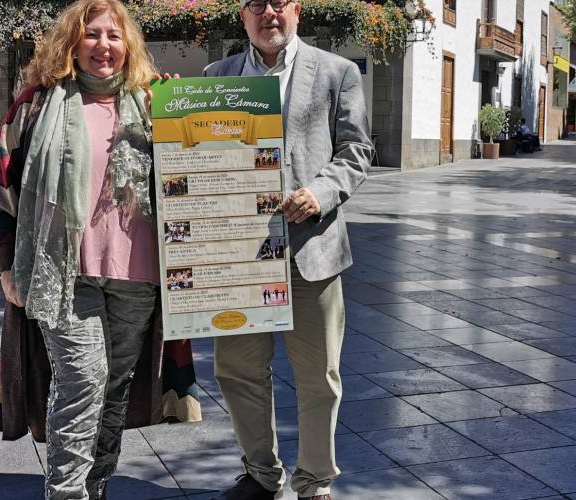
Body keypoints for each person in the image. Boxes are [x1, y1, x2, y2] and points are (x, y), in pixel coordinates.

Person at [0, 1, 202, 498]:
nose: (104, 46)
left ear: (129, 46)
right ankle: (66, 492)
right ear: (72, 43)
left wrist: (186, 103)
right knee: (82, 381)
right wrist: (4, 266)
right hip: (62, 274)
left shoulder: (153, 103)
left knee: (113, 388)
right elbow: (1, 185)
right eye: (92, 35)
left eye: (115, 36)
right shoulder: (38, 106)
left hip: (138, 275)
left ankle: (97, 486)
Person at [204, 0, 372, 498]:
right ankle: (260, 474)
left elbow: (357, 149)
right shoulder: (217, 75)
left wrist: (319, 193)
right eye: (256, 5)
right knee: (237, 370)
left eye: (279, 2)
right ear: (243, 16)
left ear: (296, 10)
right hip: (238, 255)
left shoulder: (336, 71)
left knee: (319, 375)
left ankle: (316, 481)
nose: (268, 13)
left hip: (311, 249)